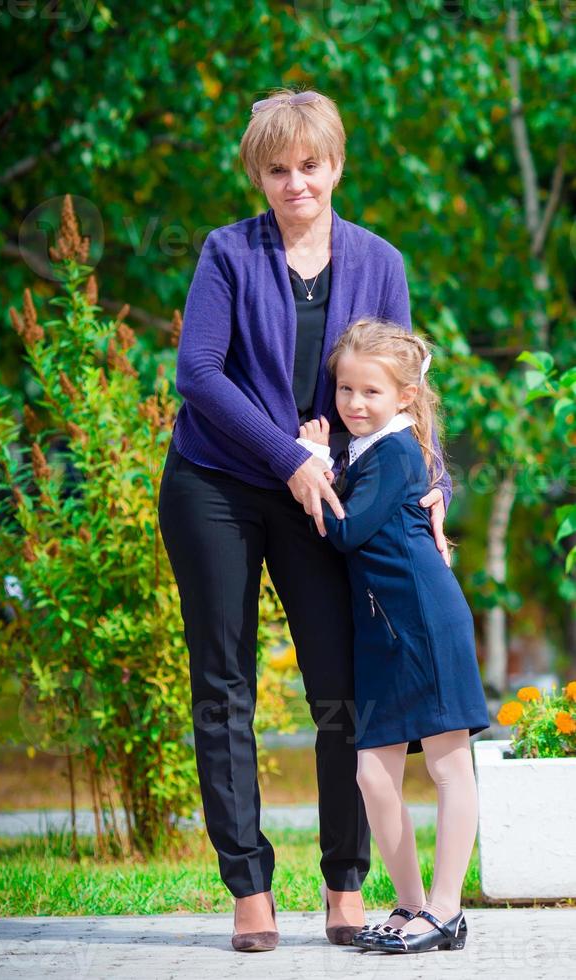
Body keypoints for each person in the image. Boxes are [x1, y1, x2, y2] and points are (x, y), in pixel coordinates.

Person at [157, 88, 453, 952]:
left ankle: (343, 880)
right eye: (278, 169)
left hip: (325, 493)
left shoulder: (379, 261)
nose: (296, 183)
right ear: (260, 172)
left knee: (341, 686)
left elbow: (400, 387)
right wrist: (289, 456)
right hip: (215, 482)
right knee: (224, 682)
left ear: (336, 166)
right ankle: (249, 885)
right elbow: (198, 377)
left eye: (310, 166)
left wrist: (430, 478)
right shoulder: (225, 253)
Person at [300, 317, 489, 955]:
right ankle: (410, 904)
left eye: (371, 392)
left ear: (405, 395)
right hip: (385, 633)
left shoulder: (397, 451)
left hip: (426, 622)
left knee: (446, 763)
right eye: (346, 390)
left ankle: (446, 910)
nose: (354, 404)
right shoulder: (373, 448)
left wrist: (314, 464)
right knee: (373, 778)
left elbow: (348, 533)